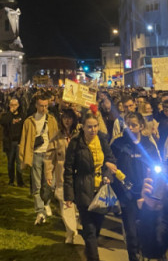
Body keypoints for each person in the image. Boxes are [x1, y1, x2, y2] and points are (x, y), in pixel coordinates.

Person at [63, 112, 118, 261]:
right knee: (90, 230)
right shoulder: (76, 143)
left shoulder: (102, 139)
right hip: (83, 190)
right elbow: (68, 169)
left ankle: (89, 250)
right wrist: (68, 195)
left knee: (98, 226)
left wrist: (107, 173)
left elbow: (110, 159)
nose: (93, 130)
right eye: (89, 127)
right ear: (82, 126)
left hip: (100, 191)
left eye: (95, 126)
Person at [111, 112, 160, 261]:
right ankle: (133, 257)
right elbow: (111, 163)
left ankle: (145, 255)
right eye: (127, 124)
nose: (130, 128)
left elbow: (157, 166)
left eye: (134, 125)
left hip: (145, 194)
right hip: (127, 196)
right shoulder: (118, 144)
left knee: (145, 230)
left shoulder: (148, 146)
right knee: (131, 233)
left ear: (141, 126)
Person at [19, 93, 59, 224]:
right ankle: (40, 211)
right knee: (36, 185)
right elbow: (24, 140)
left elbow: (57, 137)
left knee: (49, 184)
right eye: (41, 106)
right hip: (36, 154)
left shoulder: (52, 119)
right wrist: (23, 158)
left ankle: (46, 202)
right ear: (36, 105)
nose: (44, 108)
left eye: (46, 106)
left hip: (49, 155)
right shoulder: (29, 121)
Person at [44, 109, 80, 243]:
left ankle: (75, 224)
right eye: (65, 117)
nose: (67, 120)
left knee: (77, 204)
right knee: (65, 203)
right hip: (62, 174)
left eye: (70, 117)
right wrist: (49, 174)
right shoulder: (57, 136)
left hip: (78, 173)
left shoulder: (79, 135)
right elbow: (49, 157)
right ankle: (70, 232)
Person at [0, 98, 25, 186]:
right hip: (9, 143)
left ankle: (20, 181)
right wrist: (10, 113)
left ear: (18, 105)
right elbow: (3, 122)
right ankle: (11, 180)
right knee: (10, 163)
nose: (14, 107)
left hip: (18, 142)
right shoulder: (6, 115)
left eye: (15, 105)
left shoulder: (22, 116)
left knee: (19, 163)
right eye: (12, 105)